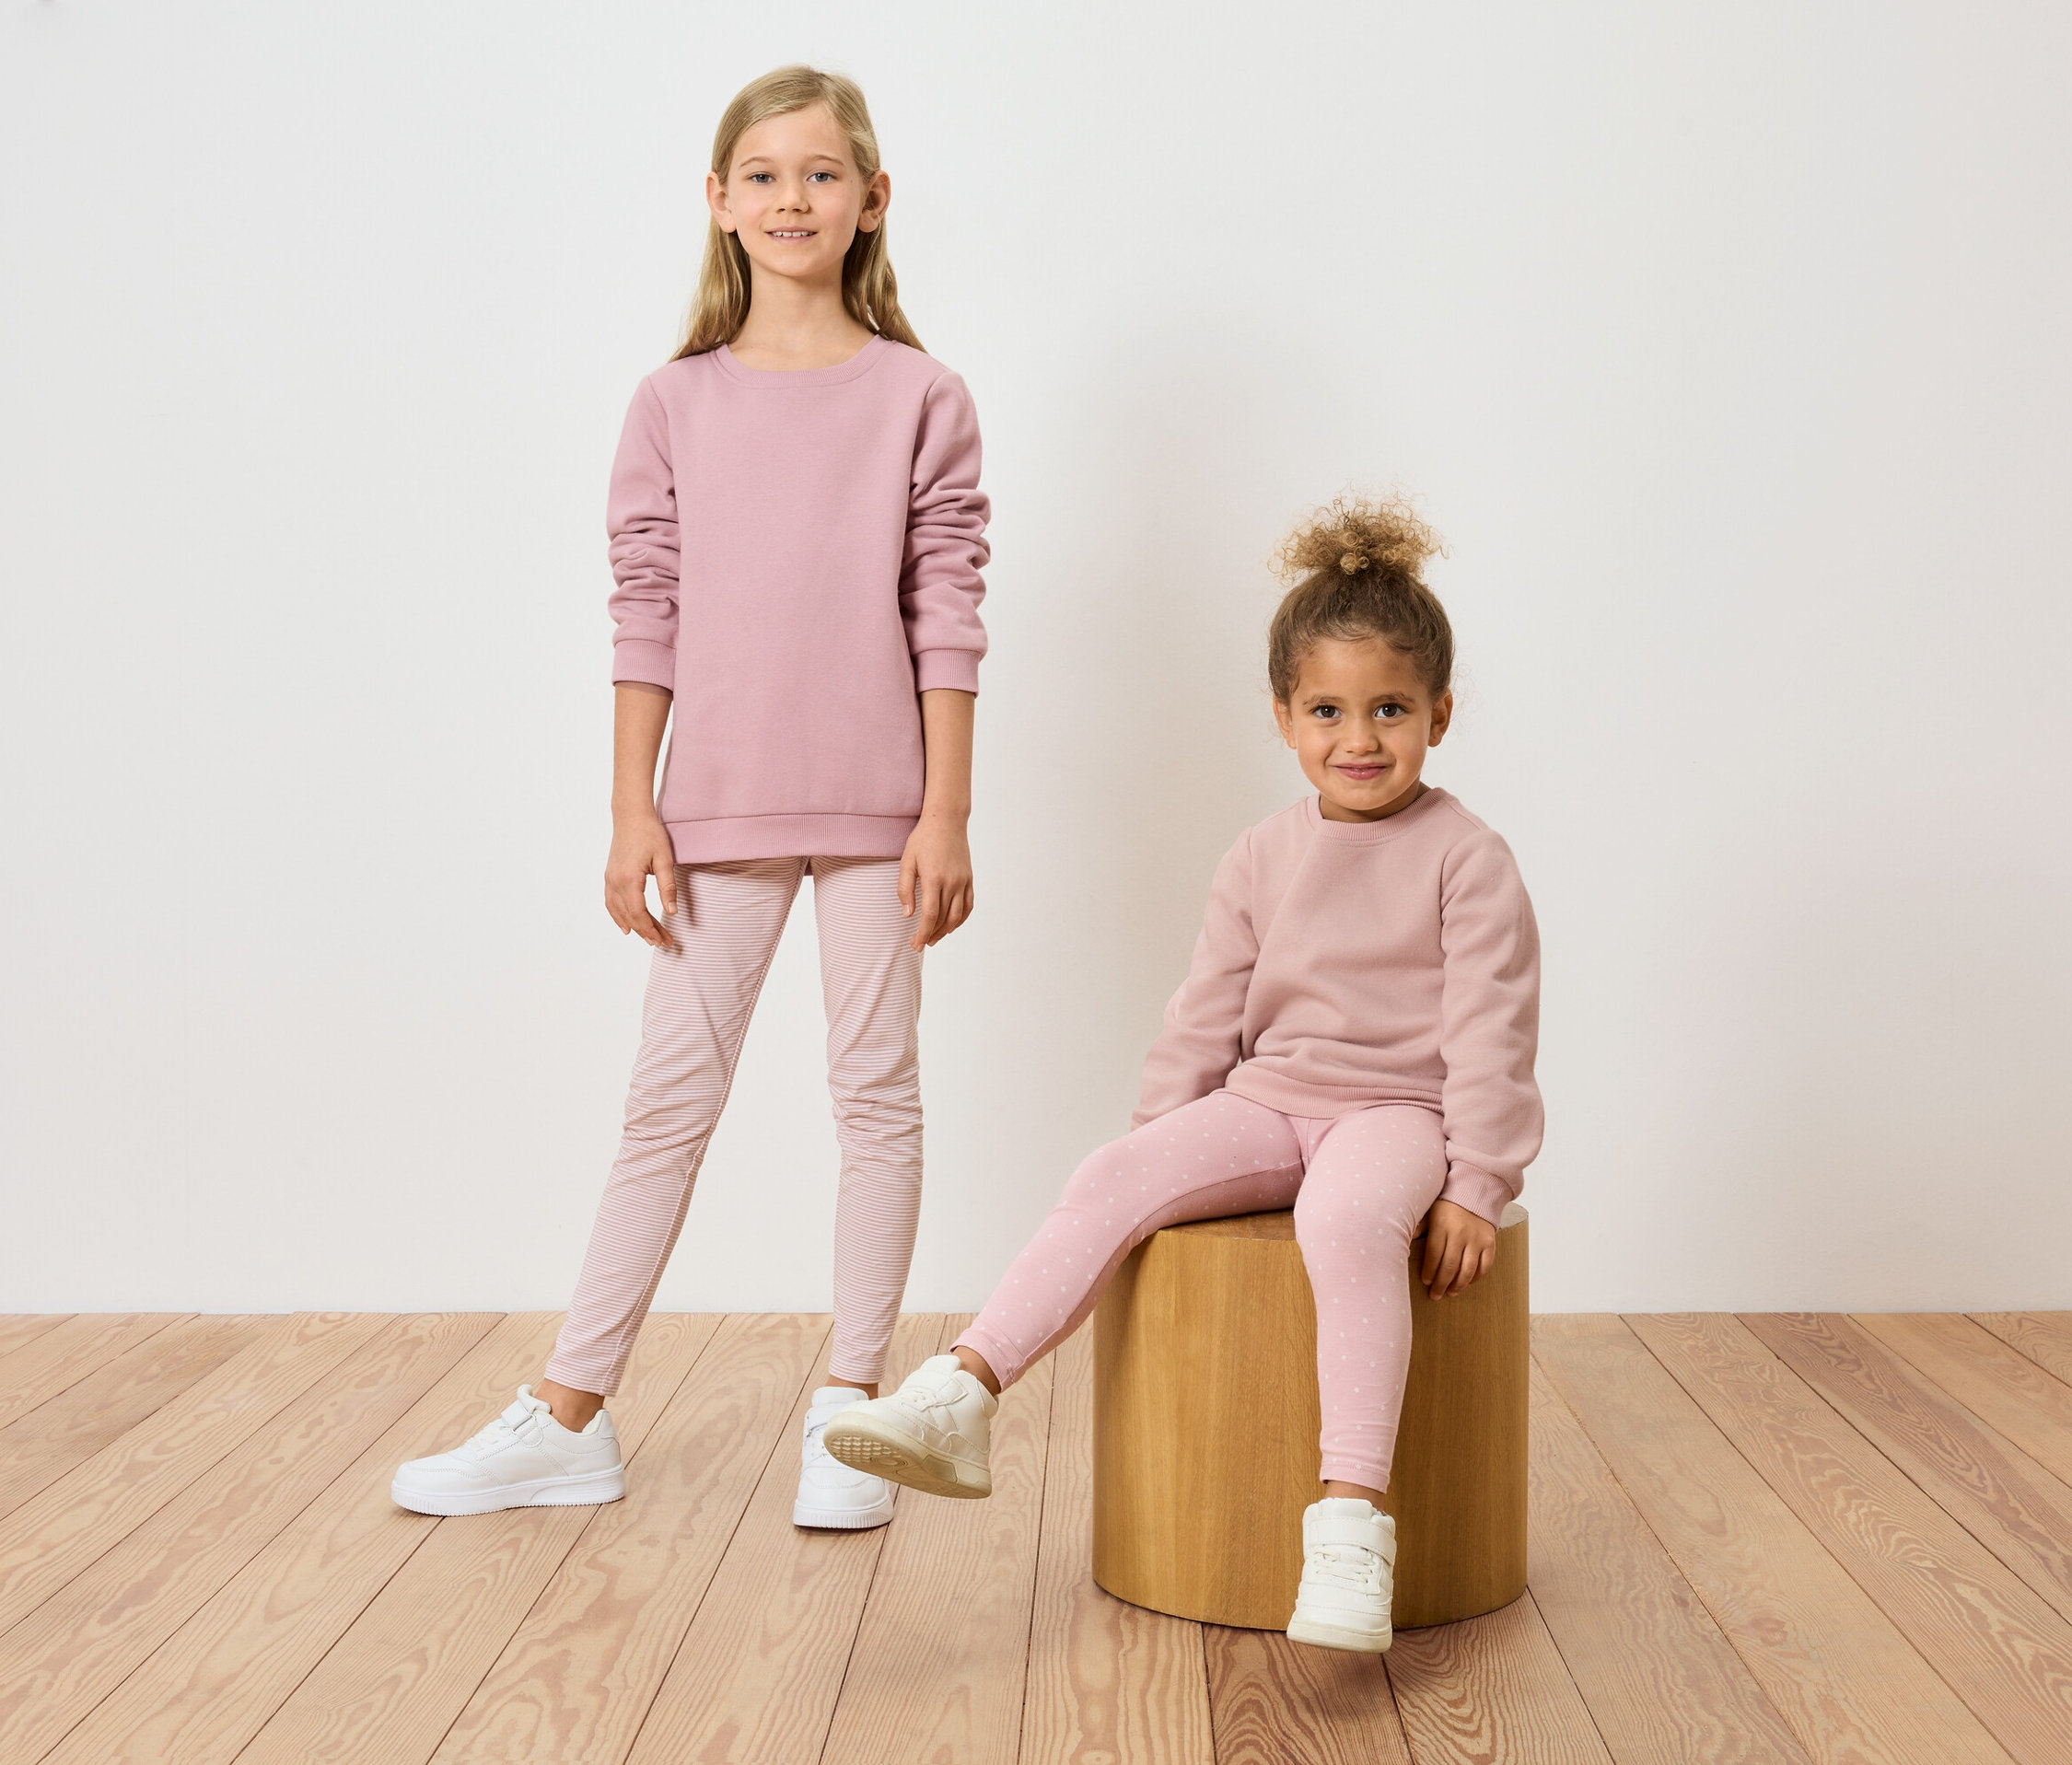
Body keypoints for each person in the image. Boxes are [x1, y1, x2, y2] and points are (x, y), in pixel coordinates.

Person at [392, 65, 990, 1531]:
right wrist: (630, 808)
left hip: (881, 810)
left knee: (876, 1098)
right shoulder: (673, 403)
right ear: (719, 201)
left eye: (822, 173)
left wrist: (947, 812)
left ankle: (850, 1414)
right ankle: (568, 1415)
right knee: (665, 1106)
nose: (793, 199)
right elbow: (644, 606)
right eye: (764, 175)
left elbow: (947, 606)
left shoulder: (923, 398)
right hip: (714, 802)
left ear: (872, 199)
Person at [824, 496, 1540, 1651]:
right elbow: (1205, 1014)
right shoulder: (1262, 854)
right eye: (1328, 711)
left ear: (1439, 715)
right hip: (1270, 1102)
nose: (1359, 739)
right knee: (1109, 1174)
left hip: (1398, 1112)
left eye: (1391, 710)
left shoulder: (1469, 858)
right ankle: (962, 1389)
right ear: (1283, 717)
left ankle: (1349, 1524)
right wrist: (1157, 1142)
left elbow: (1494, 1032)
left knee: (1347, 1222)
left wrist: (1478, 1182)